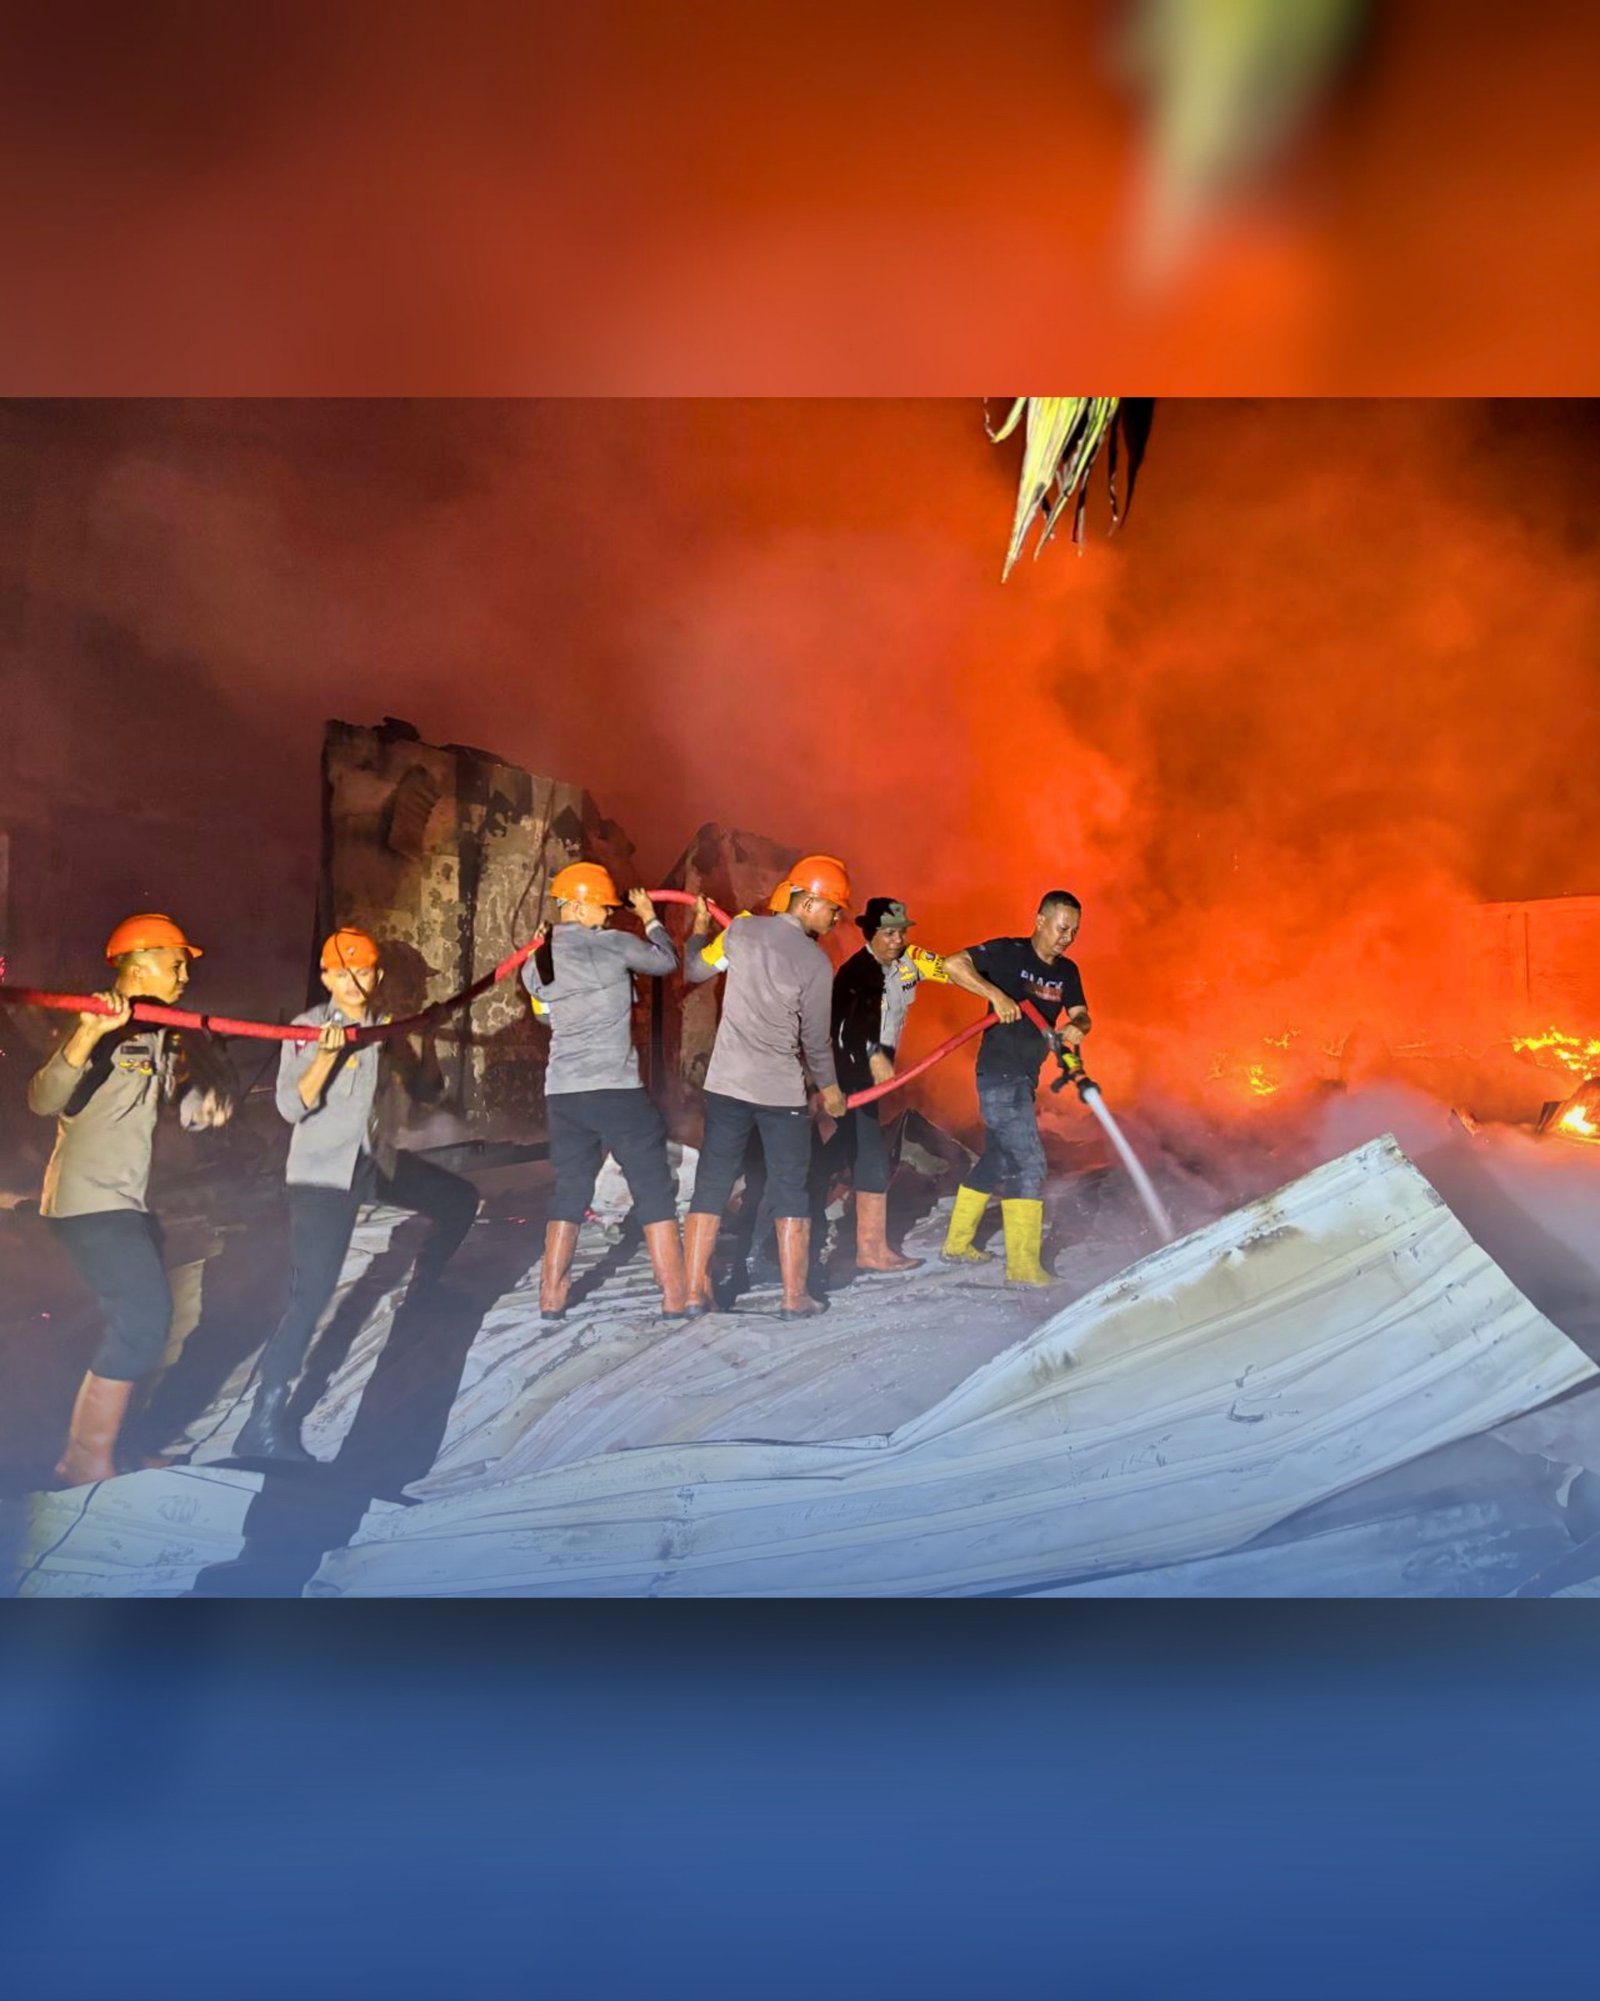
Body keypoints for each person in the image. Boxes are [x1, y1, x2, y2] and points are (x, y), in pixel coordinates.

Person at [232, 926, 480, 1464]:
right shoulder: (306, 1029)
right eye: (341, 974)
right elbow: (290, 1107)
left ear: (376, 975)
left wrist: (425, 1037)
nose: (352, 982)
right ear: (325, 977)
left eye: (362, 971)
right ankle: (261, 1423)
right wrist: (324, 1058)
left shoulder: (384, 1030)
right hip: (322, 1177)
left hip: (373, 1164)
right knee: (311, 1296)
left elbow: (428, 1091)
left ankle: (425, 1290)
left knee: (459, 1199)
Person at [27, 912, 235, 1485]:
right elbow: (43, 1099)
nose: (185, 976)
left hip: (124, 1201)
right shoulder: (99, 1023)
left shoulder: (156, 1034)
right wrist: (87, 1034)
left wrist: (201, 1109)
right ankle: (84, 1457)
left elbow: (157, 1104)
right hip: (89, 1203)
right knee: (144, 1322)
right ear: (138, 966)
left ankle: (118, 1446)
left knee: (144, 1323)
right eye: (176, 965)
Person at [682, 854, 851, 1320]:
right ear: (808, 902)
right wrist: (831, 1089)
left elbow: (695, 969)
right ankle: (794, 1297)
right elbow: (815, 1041)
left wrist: (700, 928)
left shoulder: (739, 932)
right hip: (781, 1095)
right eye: (833, 908)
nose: (836, 919)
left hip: (727, 1086)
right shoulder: (816, 963)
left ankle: (694, 1292)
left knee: (712, 1183)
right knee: (791, 1188)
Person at [522, 862, 690, 1321]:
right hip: (615, 1089)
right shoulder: (616, 944)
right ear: (577, 906)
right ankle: (676, 1295)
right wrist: (649, 916)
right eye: (604, 906)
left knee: (570, 1188)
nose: (611, 913)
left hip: (564, 1093)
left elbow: (542, 1015)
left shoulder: (538, 957)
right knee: (652, 1184)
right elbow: (667, 961)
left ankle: (551, 1297)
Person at [825, 895, 1001, 1275]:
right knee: (871, 1156)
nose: (897, 940)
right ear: (871, 934)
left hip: (877, 1074)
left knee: (846, 1149)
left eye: (901, 933)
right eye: (889, 934)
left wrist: (996, 994)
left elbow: (951, 971)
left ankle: (792, 1207)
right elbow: (842, 1030)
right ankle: (869, 1249)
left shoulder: (911, 960)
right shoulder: (854, 975)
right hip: (848, 1073)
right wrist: (872, 1056)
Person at [937, 891, 1092, 1287]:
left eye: (1074, 932)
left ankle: (957, 1244)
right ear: (1040, 921)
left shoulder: (1067, 971)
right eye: (1061, 928)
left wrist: (1078, 1026)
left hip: (1025, 1076)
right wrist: (996, 995)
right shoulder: (1009, 953)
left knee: (999, 1159)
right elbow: (953, 964)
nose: (1067, 938)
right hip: (999, 1073)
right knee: (1028, 1162)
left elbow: (1081, 1013)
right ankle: (1022, 1268)